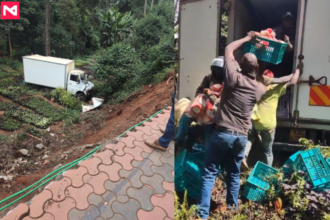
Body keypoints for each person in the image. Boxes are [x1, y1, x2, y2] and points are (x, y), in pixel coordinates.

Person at [196, 32, 267, 219]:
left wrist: (247, 39)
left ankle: (203, 214)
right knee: (234, 174)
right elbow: (270, 78)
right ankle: (233, 210)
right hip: (241, 137)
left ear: (240, 65)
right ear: (257, 68)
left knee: (210, 172)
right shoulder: (260, 89)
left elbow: (228, 49)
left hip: (223, 133)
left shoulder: (232, 76)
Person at [243, 64, 303, 167]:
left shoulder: (256, 84)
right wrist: (298, 70)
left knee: (249, 138)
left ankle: (243, 156)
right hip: (268, 124)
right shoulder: (276, 87)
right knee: (268, 151)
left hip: (254, 120)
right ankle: (267, 172)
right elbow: (292, 81)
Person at [175, 57, 225, 151]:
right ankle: (179, 141)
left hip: (213, 115)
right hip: (201, 108)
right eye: (215, 69)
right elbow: (199, 90)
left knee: (209, 135)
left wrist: (212, 96)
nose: (217, 72)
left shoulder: (226, 84)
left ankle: (207, 153)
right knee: (185, 118)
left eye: (219, 70)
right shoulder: (208, 78)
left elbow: (221, 103)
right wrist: (203, 96)